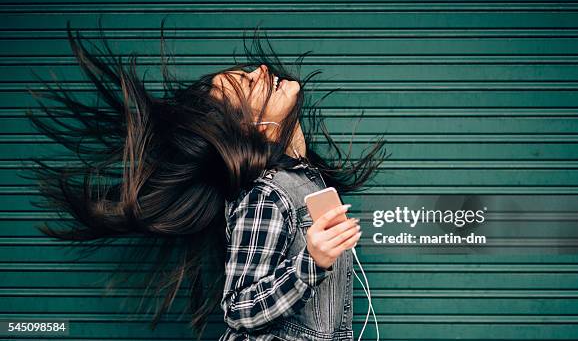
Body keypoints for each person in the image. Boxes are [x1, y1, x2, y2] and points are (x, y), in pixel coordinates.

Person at [22, 20, 388, 340]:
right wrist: (311, 261)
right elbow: (238, 307)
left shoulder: (306, 181)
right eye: (247, 83)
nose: (261, 69)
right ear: (248, 126)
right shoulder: (265, 194)